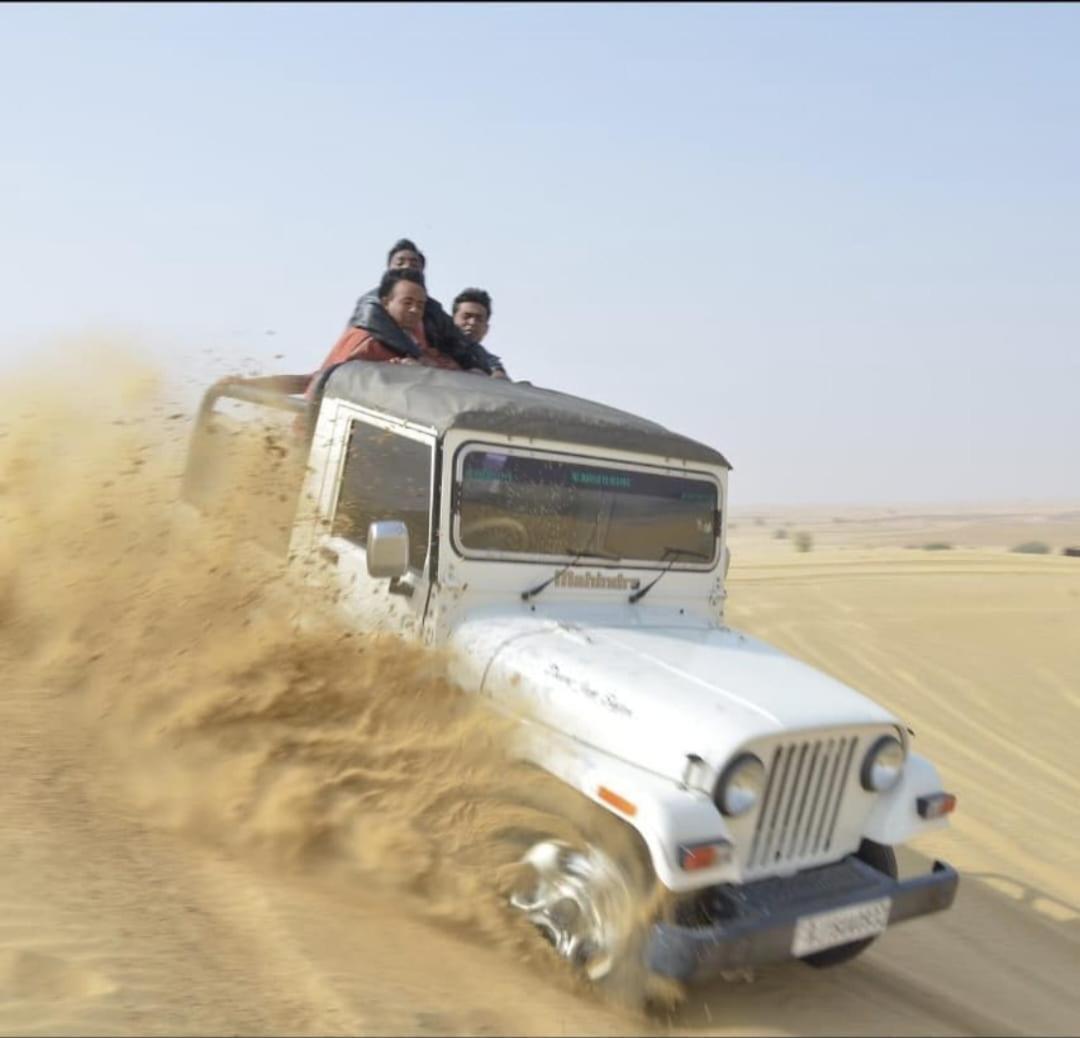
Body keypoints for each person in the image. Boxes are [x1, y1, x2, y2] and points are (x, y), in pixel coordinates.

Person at [347, 239, 509, 378]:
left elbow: (460, 341)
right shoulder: (370, 309)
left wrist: (490, 367)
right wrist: (419, 359)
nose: (407, 267)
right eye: (400, 262)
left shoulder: (432, 310)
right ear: (386, 302)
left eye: (414, 263)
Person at [306, 269, 461, 398]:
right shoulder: (364, 338)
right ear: (386, 302)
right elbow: (333, 381)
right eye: (407, 303)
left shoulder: (418, 343)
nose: (415, 310)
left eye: (420, 305)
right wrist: (392, 370)